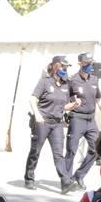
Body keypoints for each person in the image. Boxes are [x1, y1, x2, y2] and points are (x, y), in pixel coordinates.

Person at [24, 55, 75, 191]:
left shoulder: (66, 85)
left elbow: (64, 106)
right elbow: (33, 99)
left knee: (58, 154)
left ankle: (65, 182)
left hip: (57, 124)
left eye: (66, 67)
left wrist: (75, 104)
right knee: (35, 151)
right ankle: (29, 178)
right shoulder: (45, 82)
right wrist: (37, 115)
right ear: (56, 67)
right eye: (63, 67)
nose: (65, 69)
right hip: (42, 122)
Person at [65, 53, 101, 190]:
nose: (90, 66)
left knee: (97, 148)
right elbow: (65, 100)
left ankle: (79, 175)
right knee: (71, 150)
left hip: (91, 120)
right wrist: (70, 107)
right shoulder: (72, 80)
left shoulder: (94, 79)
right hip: (77, 118)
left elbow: (98, 98)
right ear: (80, 64)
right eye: (87, 63)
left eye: (91, 63)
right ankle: (67, 180)